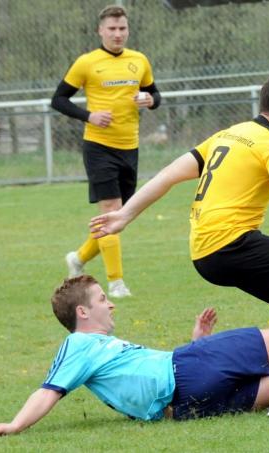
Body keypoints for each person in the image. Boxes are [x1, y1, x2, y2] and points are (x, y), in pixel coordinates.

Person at [89, 71, 269, 392]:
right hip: (231, 245)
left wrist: (125, 214)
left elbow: (168, 174)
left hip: (208, 246)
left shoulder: (231, 133)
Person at [0, 275, 269, 438]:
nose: (112, 305)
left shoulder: (101, 351)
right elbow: (49, 390)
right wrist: (14, 425)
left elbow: (142, 378)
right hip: (188, 369)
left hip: (185, 406)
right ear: (82, 312)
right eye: (104, 299)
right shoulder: (79, 346)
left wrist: (196, 340)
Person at [51, 4, 162, 298]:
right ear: (100, 30)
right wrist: (89, 116)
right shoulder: (87, 63)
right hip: (99, 147)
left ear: (127, 30)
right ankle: (116, 283)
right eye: (111, 29)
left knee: (119, 218)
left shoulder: (139, 60)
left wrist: (149, 100)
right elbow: (58, 99)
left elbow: (156, 95)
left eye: (122, 28)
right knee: (111, 211)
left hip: (130, 146)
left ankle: (78, 258)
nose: (117, 34)